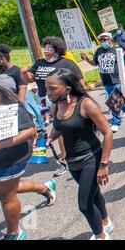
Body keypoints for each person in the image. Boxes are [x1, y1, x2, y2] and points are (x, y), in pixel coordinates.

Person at [45, 68, 114, 240]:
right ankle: (105, 222)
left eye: (52, 88)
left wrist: (104, 165)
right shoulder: (56, 104)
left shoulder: (85, 104)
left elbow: (107, 133)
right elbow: (59, 127)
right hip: (72, 161)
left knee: (84, 204)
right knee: (94, 193)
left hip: (91, 158)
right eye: (47, 88)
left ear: (67, 88)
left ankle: (101, 236)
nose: (48, 92)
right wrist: (49, 138)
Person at [0, 76, 55, 240]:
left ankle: (14, 232)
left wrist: (2, 145)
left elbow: (31, 132)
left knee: (6, 196)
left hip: (8, 159)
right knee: (8, 188)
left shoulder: (14, 107)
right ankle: (45, 189)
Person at [21, 36, 84, 177]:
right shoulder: (39, 63)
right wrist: (24, 72)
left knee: (60, 128)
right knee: (59, 128)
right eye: (45, 48)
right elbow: (29, 79)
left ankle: (64, 159)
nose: (46, 51)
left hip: (62, 101)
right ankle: (67, 156)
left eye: (50, 48)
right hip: (44, 101)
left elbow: (80, 83)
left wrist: (81, 100)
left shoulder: (67, 64)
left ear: (57, 50)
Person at [81, 32, 125, 133]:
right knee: (117, 97)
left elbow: (123, 62)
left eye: (105, 39)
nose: (103, 41)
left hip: (116, 78)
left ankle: (116, 122)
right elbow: (95, 63)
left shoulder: (117, 50)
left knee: (114, 100)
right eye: (101, 40)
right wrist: (86, 59)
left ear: (110, 39)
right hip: (105, 79)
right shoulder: (99, 50)